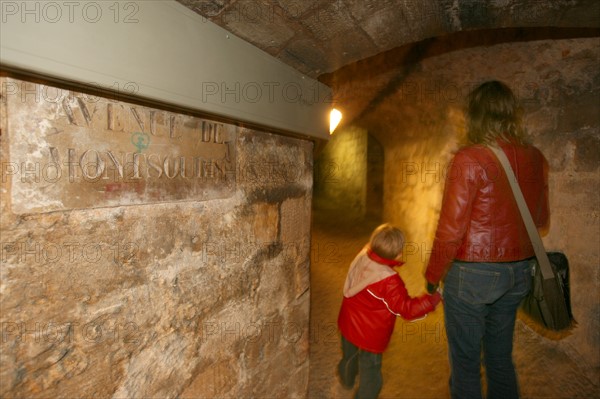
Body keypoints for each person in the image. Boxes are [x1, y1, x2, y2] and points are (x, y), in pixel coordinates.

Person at [425, 80, 550, 399]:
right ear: (512, 114)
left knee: (465, 364)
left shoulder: (469, 158)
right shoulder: (536, 157)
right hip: (519, 272)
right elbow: (541, 221)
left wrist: (432, 276)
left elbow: (450, 230)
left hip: (473, 275)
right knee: (500, 357)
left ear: (475, 116)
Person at [337, 223, 442, 399]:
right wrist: (432, 300)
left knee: (349, 357)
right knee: (371, 373)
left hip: (348, 322)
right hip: (371, 335)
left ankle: (346, 380)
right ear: (398, 253)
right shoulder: (389, 281)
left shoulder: (363, 255)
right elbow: (407, 309)